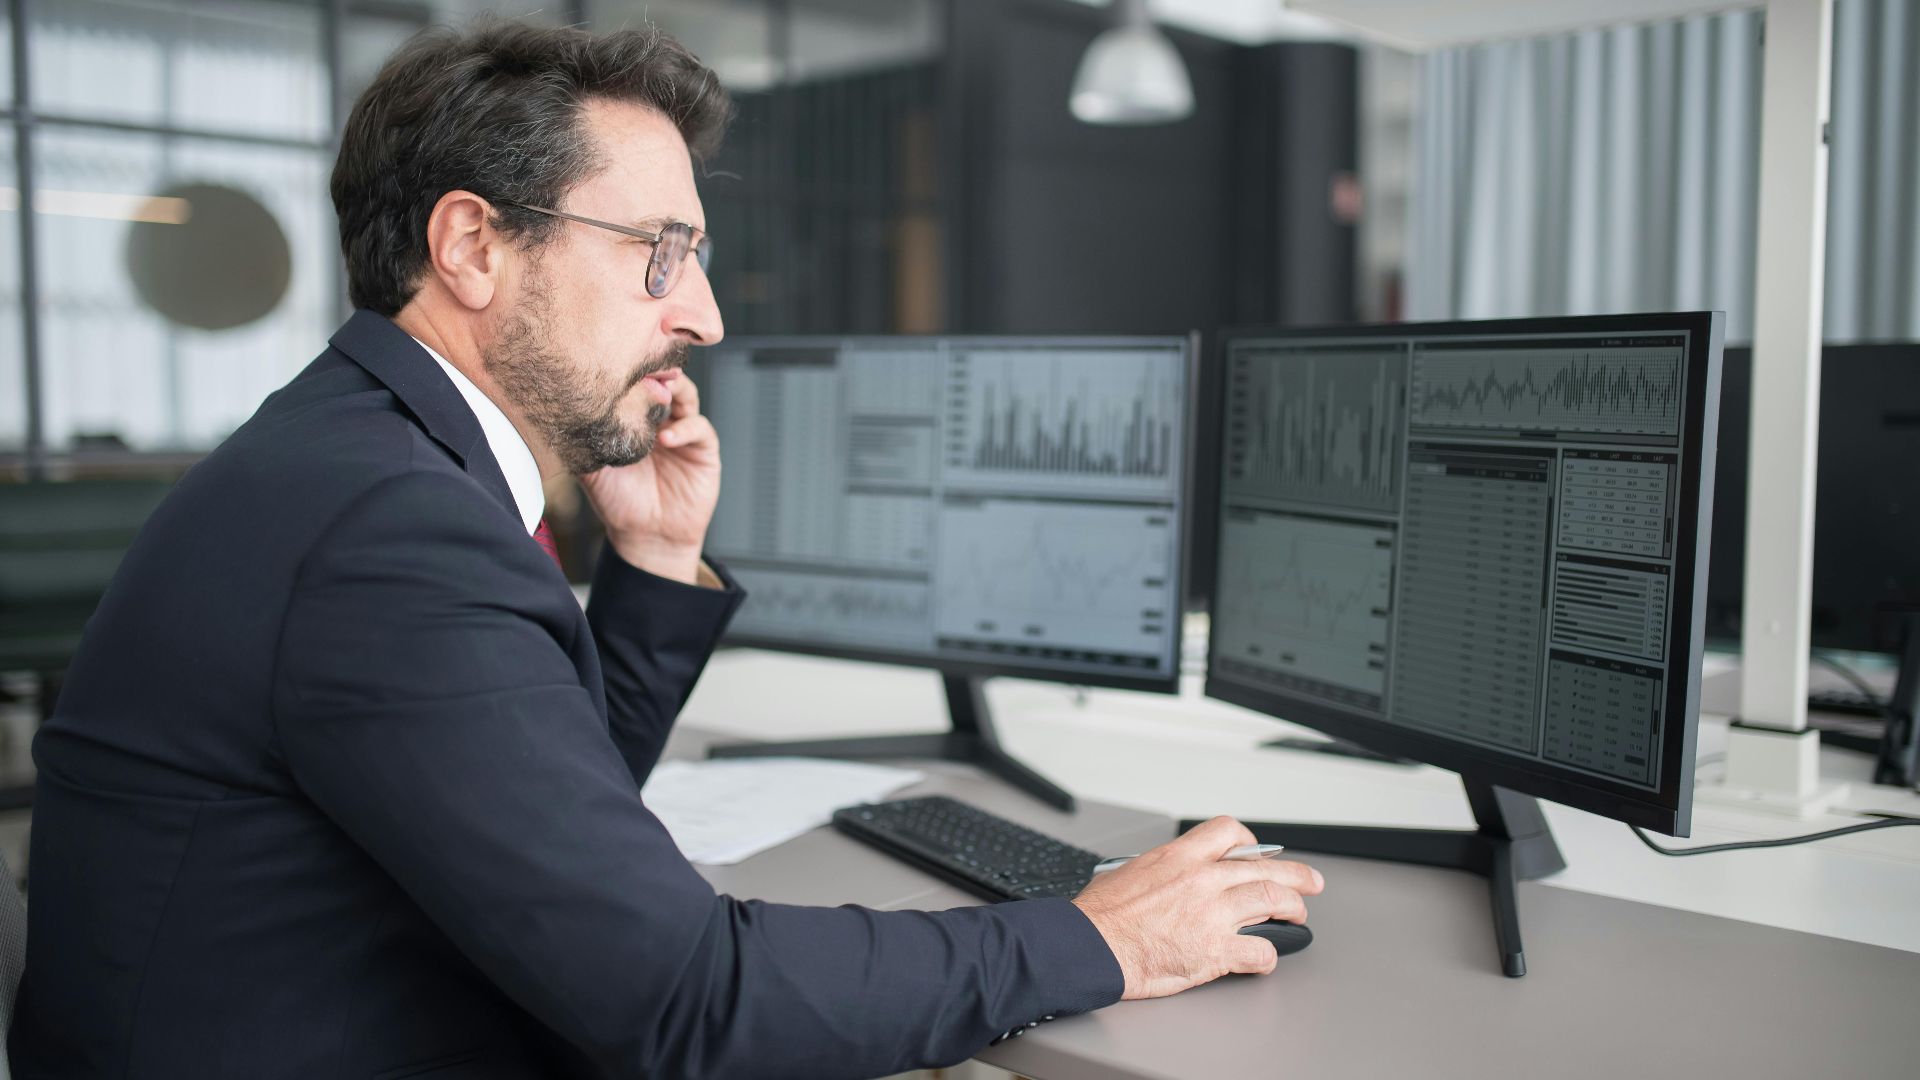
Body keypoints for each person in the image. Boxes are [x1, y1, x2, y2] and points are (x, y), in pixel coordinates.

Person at [9, 20, 1323, 1079]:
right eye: (660, 253)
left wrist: (646, 568)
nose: (699, 314)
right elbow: (680, 1001)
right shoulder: (388, 526)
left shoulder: (351, 451)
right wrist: (1091, 939)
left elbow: (534, 832)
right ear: (472, 244)